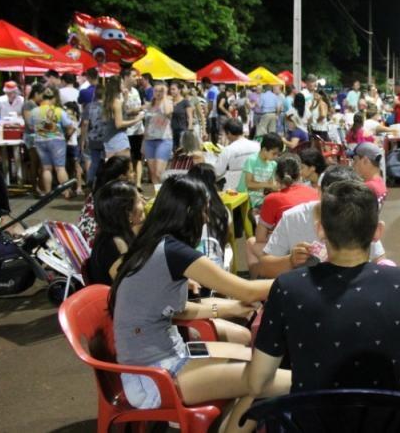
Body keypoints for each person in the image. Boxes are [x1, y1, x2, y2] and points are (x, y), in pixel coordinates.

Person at [244, 179, 400, 418]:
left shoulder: (288, 287)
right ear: (378, 232)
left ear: (320, 229)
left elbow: (258, 383)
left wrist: (318, 383)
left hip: (311, 423)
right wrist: (378, 384)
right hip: (387, 422)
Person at [109, 176, 287, 432]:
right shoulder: (173, 252)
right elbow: (246, 290)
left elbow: (179, 310)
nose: (205, 218)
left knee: (259, 369)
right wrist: (302, 279)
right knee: (269, 380)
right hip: (155, 376)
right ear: (189, 211)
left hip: (160, 362)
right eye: (204, 209)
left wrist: (232, 307)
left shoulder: (155, 243)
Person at [256, 166, 388, 278]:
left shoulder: (358, 215)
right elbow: (264, 267)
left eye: (351, 201)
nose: (343, 207)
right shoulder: (292, 218)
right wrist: (290, 260)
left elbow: (379, 260)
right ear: (319, 192)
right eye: (335, 199)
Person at [245, 154, 318, 278]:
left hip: (288, 255)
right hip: (315, 252)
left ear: (277, 176)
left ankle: (257, 283)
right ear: (300, 173)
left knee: (250, 242)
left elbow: (260, 238)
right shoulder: (315, 193)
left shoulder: (272, 199)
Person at [86, 180, 145, 285]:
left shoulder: (109, 233)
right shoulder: (114, 245)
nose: (144, 203)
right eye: (139, 201)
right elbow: (128, 286)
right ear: (127, 213)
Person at [78, 156, 133, 247]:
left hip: (83, 241)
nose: (134, 174)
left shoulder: (98, 191)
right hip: (97, 244)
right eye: (131, 171)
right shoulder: (115, 197)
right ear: (122, 177)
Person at [31, 87, 76, 196]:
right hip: (57, 141)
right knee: (60, 168)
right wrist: (67, 136)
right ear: (53, 98)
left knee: (46, 168)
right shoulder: (58, 111)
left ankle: (48, 193)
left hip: (40, 140)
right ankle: (66, 192)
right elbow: (70, 126)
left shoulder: (34, 111)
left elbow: (31, 126)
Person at [102, 76, 144, 159]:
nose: (123, 85)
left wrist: (125, 99)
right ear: (116, 86)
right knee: (125, 165)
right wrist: (137, 120)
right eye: (121, 83)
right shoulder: (116, 102)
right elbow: (119, 124)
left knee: (112, 165)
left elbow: (119, 114)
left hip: (109, 138)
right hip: (118, 138)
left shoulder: (109, 100)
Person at [237, 132, 282, 209]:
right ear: (264, 150)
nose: (276, 157)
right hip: (245, 199)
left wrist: (275, 187)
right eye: (274, 154)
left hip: (260, 199)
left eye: (278, 154)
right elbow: (249, 184)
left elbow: (270, 185)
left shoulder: (273, 164)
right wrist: (269, 185)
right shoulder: (252, 160)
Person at [143, 81, 173, 185]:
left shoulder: (168, 102)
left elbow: (168, 112)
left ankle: (164, 192)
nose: (158, 93)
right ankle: (157, 193)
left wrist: (164, 96)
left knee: (159, 172)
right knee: (152, 173)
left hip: (164, 140)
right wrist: (143, 143)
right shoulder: (150, 105)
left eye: (161, 91)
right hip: (149, 141)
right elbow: (147, 124)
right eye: (156, 90)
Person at [214, 118, 260, 188]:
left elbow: (217, 171)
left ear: (229, 133)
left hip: (234, 187)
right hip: (255, 184)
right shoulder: (257, 145)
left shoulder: (228, 150)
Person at [121, 69, 145, 190]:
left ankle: (138, 183)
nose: (137, 78)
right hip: (126, 130)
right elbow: (124, 111)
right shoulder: (121, 92)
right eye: (134, 76)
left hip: (138, 129)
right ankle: (130, 181)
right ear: (126, 77)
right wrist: (140, 109)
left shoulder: (135, 91)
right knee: (128, 159)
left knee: (138, 157)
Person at [22, 84, 44, 195]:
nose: (43, 98)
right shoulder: (28, 105)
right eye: (42, 95)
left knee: (39, 163)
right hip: (31, 137)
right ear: (36, 94)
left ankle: (39, 186)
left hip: (38, 136)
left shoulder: (36, 105)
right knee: (35, 163)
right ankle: (35, 188)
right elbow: (29, 124)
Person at [169, 81, 193, 149]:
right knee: (173, 150)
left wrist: (189, 129)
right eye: (170, 89)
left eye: (173, 89)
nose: (171, 91)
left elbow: (190, 117)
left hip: (182, 130)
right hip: (172, 131)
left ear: (179, 90)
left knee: (182, 150)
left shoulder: (185, 102)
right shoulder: (169, 102)